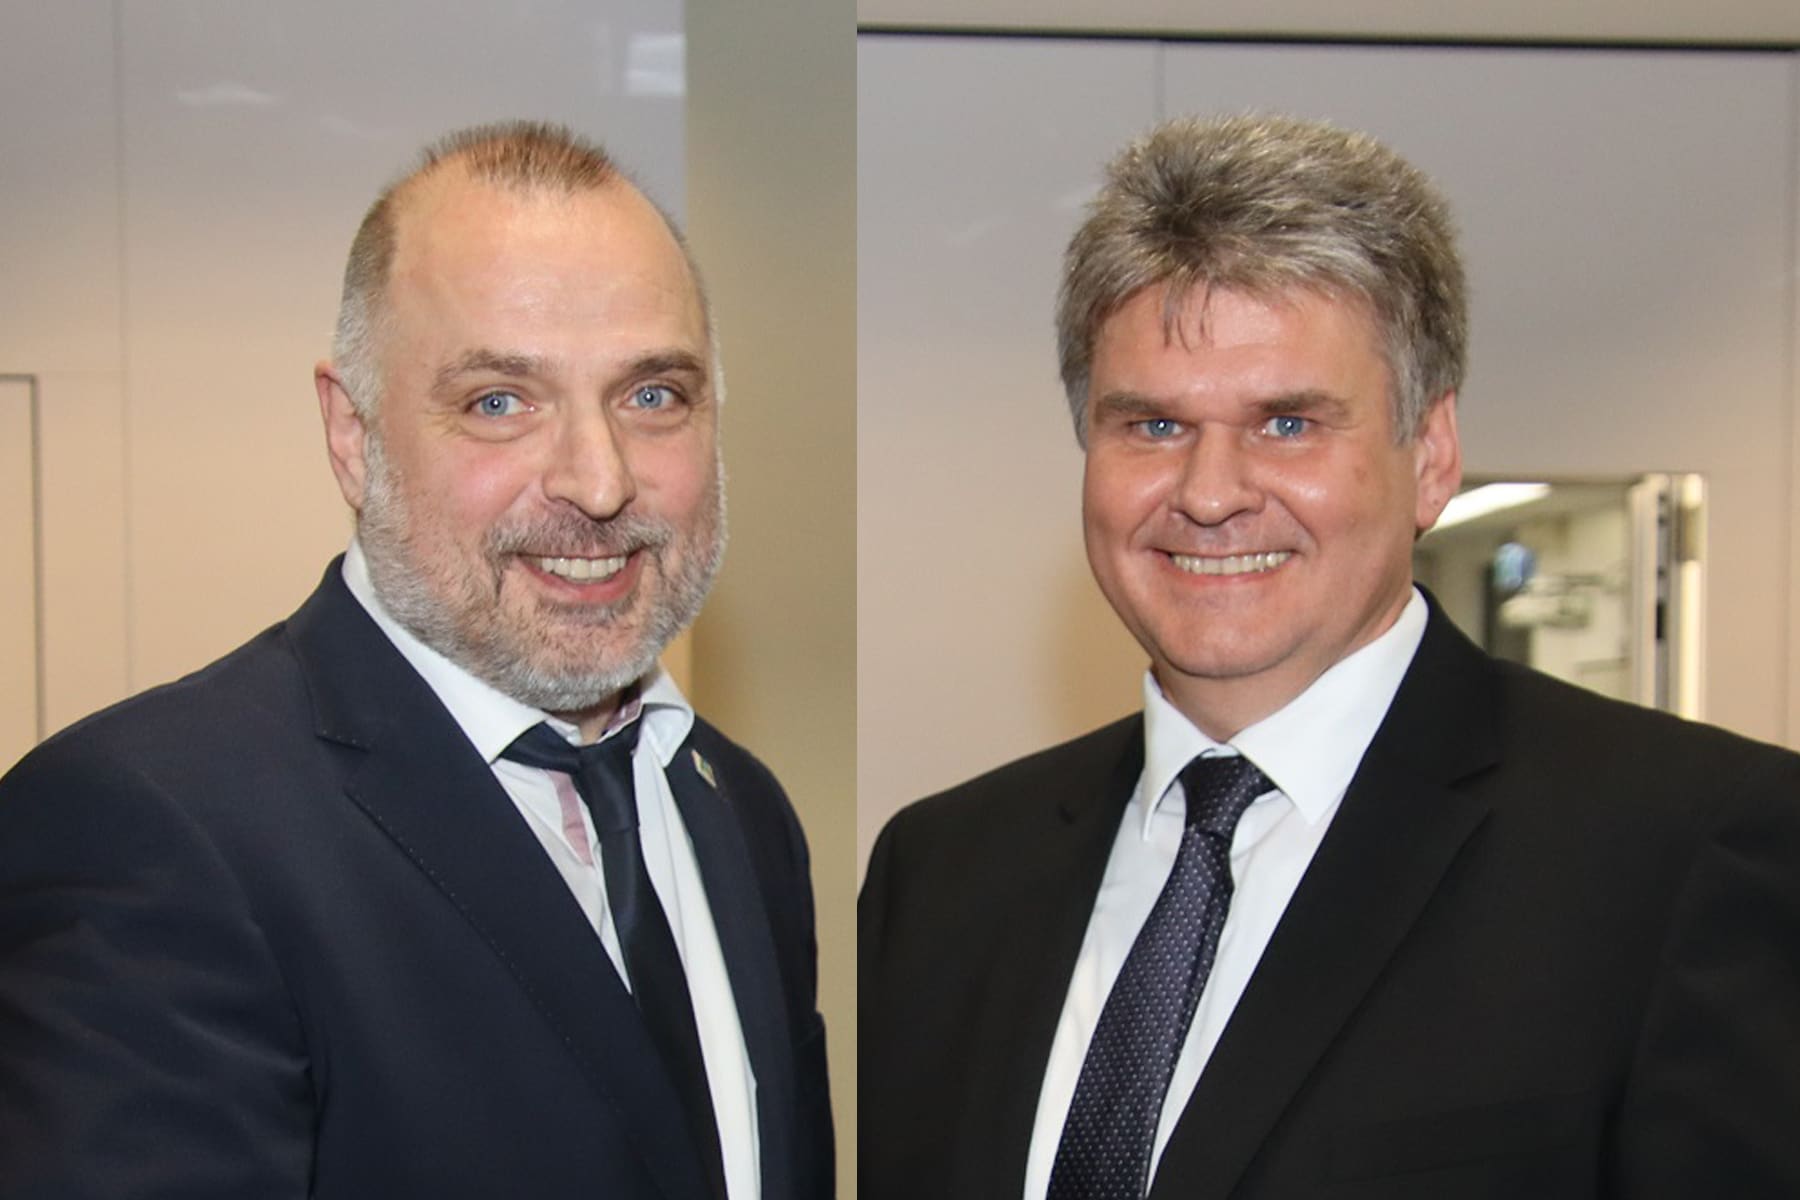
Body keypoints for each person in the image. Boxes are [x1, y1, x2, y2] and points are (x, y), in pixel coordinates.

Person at [859, 113, 1800, 1199]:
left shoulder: (1688, 856)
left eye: (1288, 424)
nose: (1210, 493)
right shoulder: (943, 874)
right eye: (1154, 427)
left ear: (1431, 455)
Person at [0, 122, 831, 1200]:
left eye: (652, 395)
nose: (599, 481)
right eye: (499, 402)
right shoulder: (153, 827)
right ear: (353, 436)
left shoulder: (743, 813)